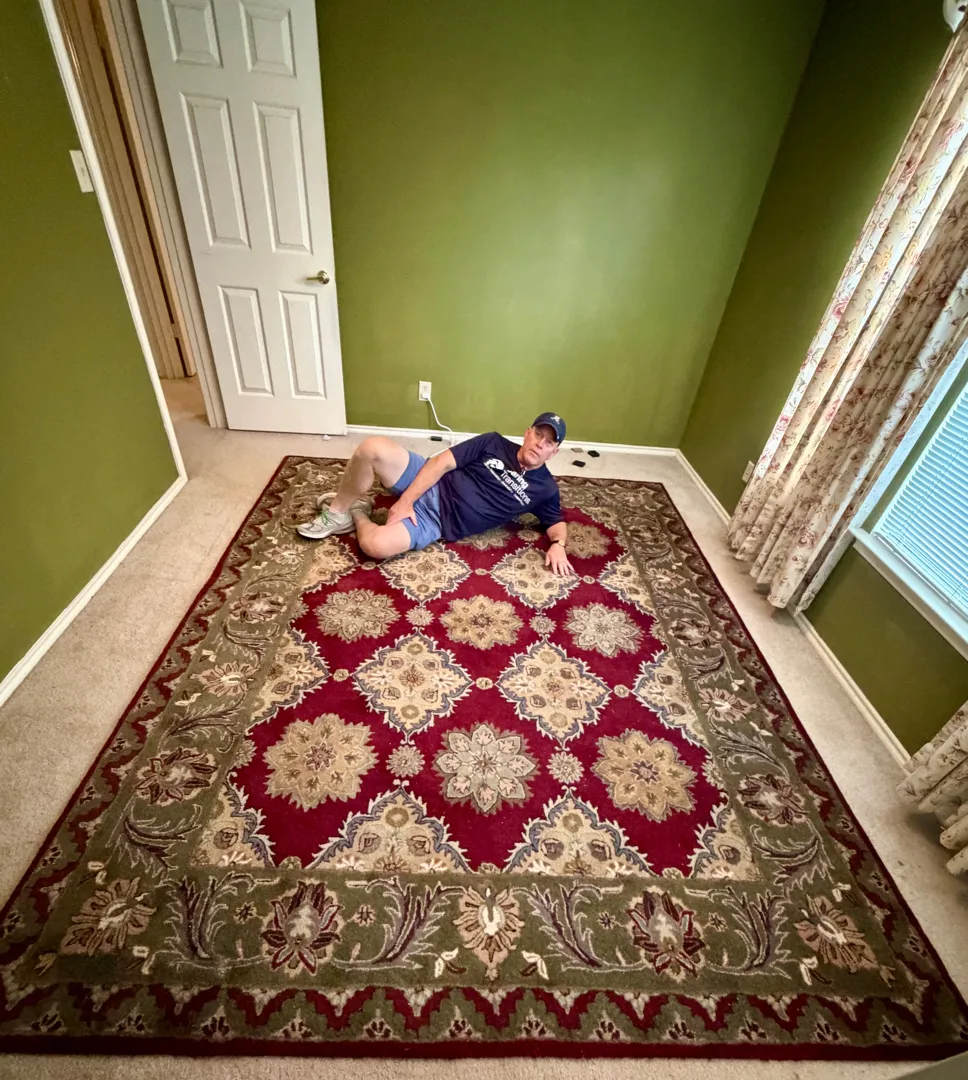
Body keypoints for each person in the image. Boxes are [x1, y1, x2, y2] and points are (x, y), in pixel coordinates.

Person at [297, 412, 575, 576]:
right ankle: (337, 512)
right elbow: (441, 462)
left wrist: (558, 545)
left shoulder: (545, 489)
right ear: (527, 433)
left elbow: (556, 522)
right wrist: (405, 502)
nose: (540, 443)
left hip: (435, 521)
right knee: (372, 448)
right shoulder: (493, 441)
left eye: (549, 442)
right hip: (429, 478)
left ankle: (357, 511)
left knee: (375, 546)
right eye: (538, 434)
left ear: (554, 451)